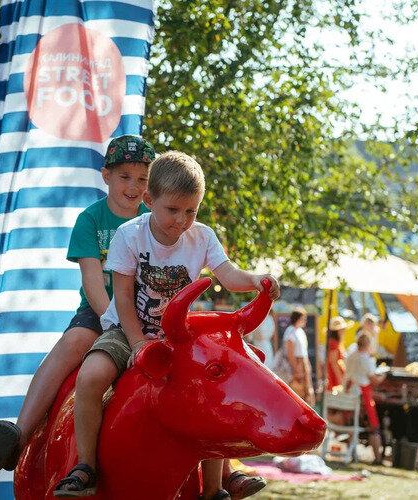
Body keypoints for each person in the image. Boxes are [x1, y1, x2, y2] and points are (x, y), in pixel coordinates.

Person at [53, 151, 280, 500]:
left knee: (214, 384)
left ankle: (217, 483)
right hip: (130, 326)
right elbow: (124, 299)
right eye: (173, 210)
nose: (182, 220)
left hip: (178, 333)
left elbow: (229, 274)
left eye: (191, 211)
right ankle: (84, 466)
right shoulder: (130, 235)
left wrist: (256, 279)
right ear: (149, 200)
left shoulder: (202, 236)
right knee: (91, 375)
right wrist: (138, 342)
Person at [0, 135, 154, 475]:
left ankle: (221, 473)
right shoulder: (91, 219)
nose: (134, 187)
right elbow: (92, 281)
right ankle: (19, 434)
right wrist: (115, 324)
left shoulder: (153, 220)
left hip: (148, 313)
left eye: (143, 179)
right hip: (101, 311)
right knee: (73, 343)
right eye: (124, 177)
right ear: (106, 175)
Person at [344, 332, 386, 464]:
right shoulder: (366, 359)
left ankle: (352, 454)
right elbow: (375, 380)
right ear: (367, 344)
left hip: (349, 394)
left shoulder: (351, 355)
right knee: (374, 426)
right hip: (362, 397)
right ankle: (377, 458)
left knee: (351, 422)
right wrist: (384, 375)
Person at [280, 308, 315, 406]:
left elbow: (304, 352)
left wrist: (307, 366)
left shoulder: (300, 331)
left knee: (306, 392)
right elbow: (290, 352)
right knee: (296, 393)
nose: (305, 320)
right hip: (296, 364)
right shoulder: (290, 332)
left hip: (303, 363)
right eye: (303, 318)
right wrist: (295, 368)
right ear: (297, 318)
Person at [327, 316, 350, 391]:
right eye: (342, 329)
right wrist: (340, 379)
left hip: (336, 376)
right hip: (334, 377)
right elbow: (334, 362)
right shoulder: (333, 343)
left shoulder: (336, 342)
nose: (344, 331)